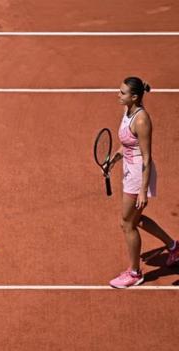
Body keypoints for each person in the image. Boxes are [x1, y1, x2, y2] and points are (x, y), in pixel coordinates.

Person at [108, 77, 179, 288]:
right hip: (129, 171)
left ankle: (134, 273)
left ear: (135, 97)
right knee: (135, 219)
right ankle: (173, 246)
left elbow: (146, 157)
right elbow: (128, 145)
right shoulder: (127, 111)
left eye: (122, 93)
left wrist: (142, 191)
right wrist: (112, 160)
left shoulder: (141, 120)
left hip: (140, 175)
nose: (118, 95)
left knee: (127, 223)